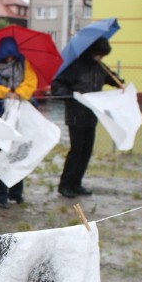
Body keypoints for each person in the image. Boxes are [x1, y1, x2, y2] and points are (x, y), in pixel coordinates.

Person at [54, 37, 121, 198]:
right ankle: (65, 185)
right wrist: (72, 95)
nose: (101, 58)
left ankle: (77, 183)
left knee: (86, 151)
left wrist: (119, 82)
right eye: (100, 54)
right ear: (93, 52)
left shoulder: (100, 68)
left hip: (92, 115)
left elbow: (112, 79)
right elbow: (57, 86)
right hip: (75, 115)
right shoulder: (75, 66)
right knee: (76, 151)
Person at [0, 36, 38, 208]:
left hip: (20, 116)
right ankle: (2, 195)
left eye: (13, 56)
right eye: (7, 56)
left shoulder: (23, 65)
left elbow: (30, 82)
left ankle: (16, 192)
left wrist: (19, 93)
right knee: (4, 154)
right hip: (0, 117)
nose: (10, 59)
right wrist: (4, 92)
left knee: (19, 152)